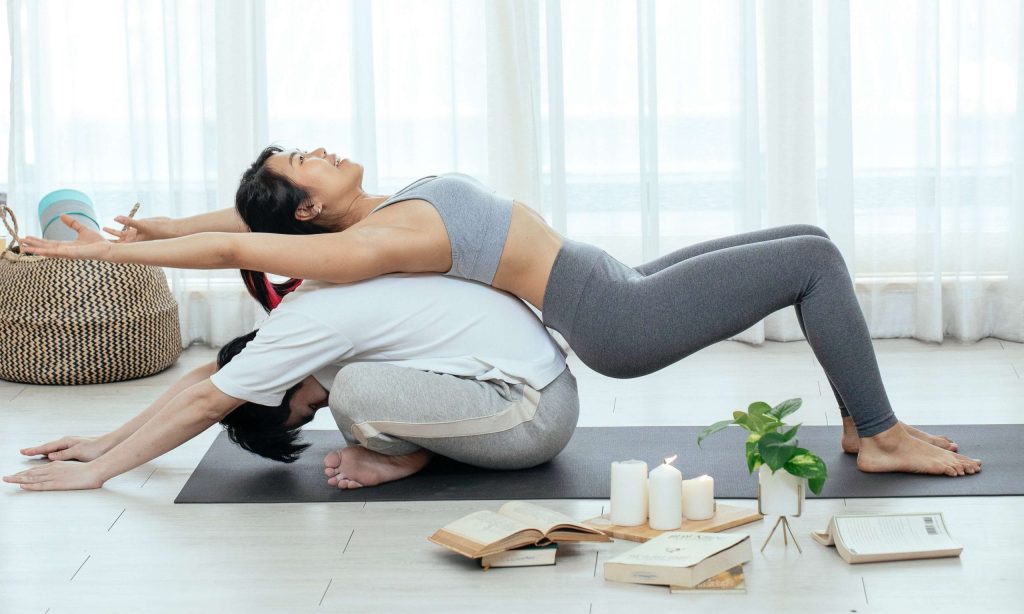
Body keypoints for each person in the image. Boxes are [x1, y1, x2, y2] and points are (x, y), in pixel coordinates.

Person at [21, 146, 982, 478]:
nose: (319, 149)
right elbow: (243, 243)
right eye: (302, 164)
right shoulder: (371, 246)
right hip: (614, 317)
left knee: (808, 235)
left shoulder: (376, 207)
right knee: (814, 260)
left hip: (614, 278)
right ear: (310, 210)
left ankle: (861, 421)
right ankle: (886, 433)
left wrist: (150, 231)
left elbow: (240, 220)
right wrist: (97, 252)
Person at [4, 274, 579, 491]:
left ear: (275, 388)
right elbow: (211, 374)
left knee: (356, 391)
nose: (320, 410)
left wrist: (102, 473)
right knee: (358, 388)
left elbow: (209, 397)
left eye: (304, 412)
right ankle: (413, 454)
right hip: (526, 393)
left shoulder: (310, 338)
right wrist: (105, 438)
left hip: (533, 415)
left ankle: (408, 461)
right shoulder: (291, 327)